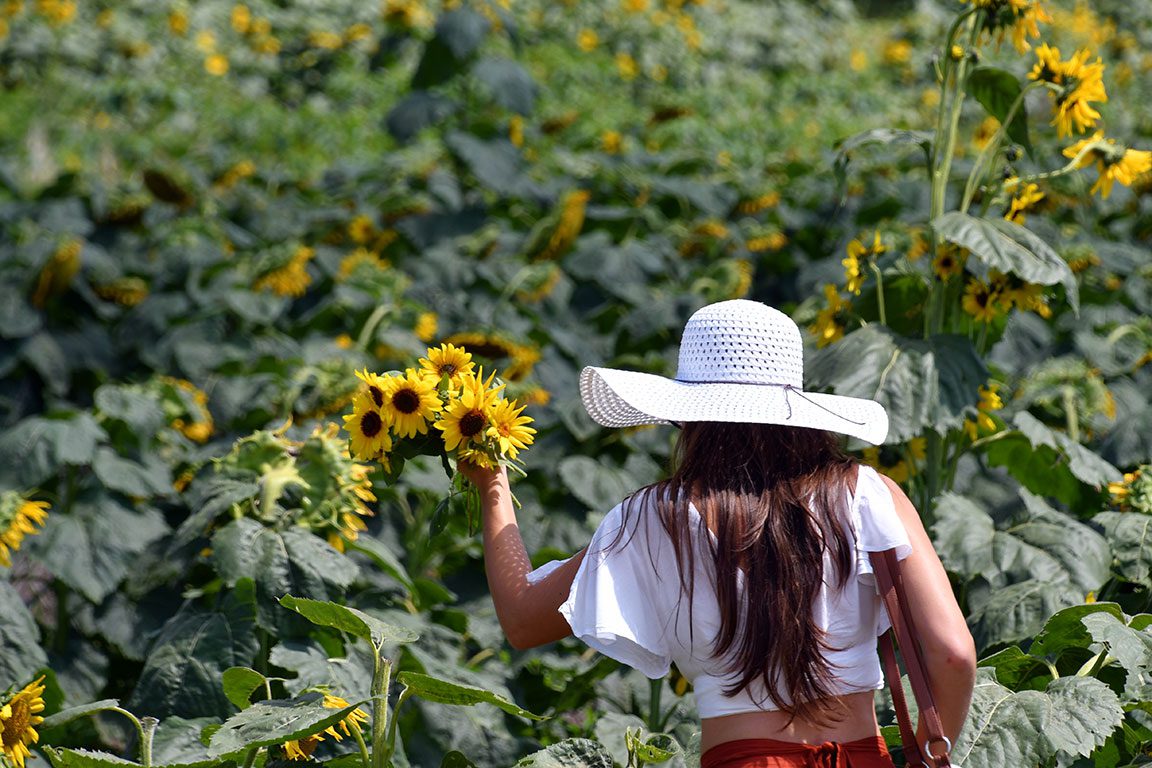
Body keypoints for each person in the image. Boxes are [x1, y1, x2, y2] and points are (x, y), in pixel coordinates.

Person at [461, 299, 976, 768]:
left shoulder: (654, 516)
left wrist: (493, 485)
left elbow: (524, 619)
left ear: (690, 417)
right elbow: (953, 653)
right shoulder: (870, 494)